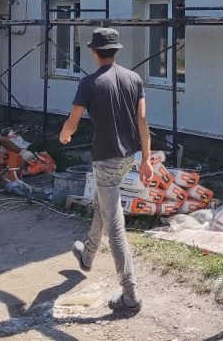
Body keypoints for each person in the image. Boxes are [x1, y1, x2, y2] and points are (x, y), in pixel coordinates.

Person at [59, 27, 153, 315]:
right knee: (102, 204)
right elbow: (142, 120)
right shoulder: (134, 78)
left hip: (105, 159)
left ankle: (130, 294)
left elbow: (74, 119)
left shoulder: (89, 83)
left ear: (93, 52)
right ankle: (87, 255)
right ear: (116, 50)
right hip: (128, 157)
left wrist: (65, 134)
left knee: (115, 227)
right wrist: (146, 159)